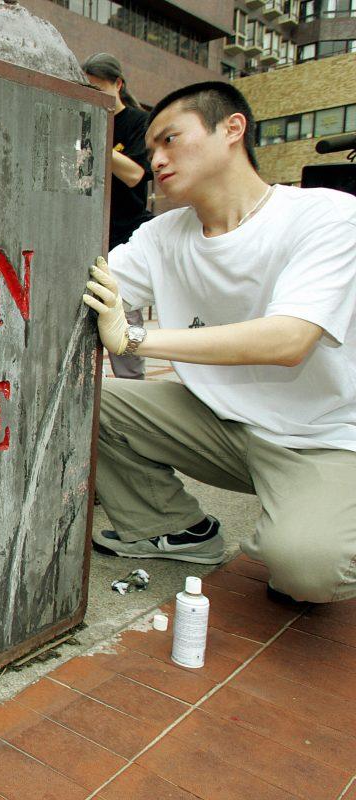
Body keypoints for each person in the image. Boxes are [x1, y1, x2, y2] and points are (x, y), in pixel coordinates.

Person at [82, 81, 356, 604]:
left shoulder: (326, 216)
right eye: (151, 149)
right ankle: (177, 528)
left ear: (233, 129)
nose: (156, 159)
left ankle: (321, 526)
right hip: (221, 425)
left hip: (323, 438)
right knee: (92, 398)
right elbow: (87, 288)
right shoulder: (163, 235)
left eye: (170, 140)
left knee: (304, 571)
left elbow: (290, 340)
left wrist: (136, 338)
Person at [83, 53, 152, 381]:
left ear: (118, 85)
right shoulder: (89, 118)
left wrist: (99, 141)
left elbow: (136, 174)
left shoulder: (138, 122)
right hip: (91, 234)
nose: (94, 93)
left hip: (125, 235)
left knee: (127, 315)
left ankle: (132, 384)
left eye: (98, 87)